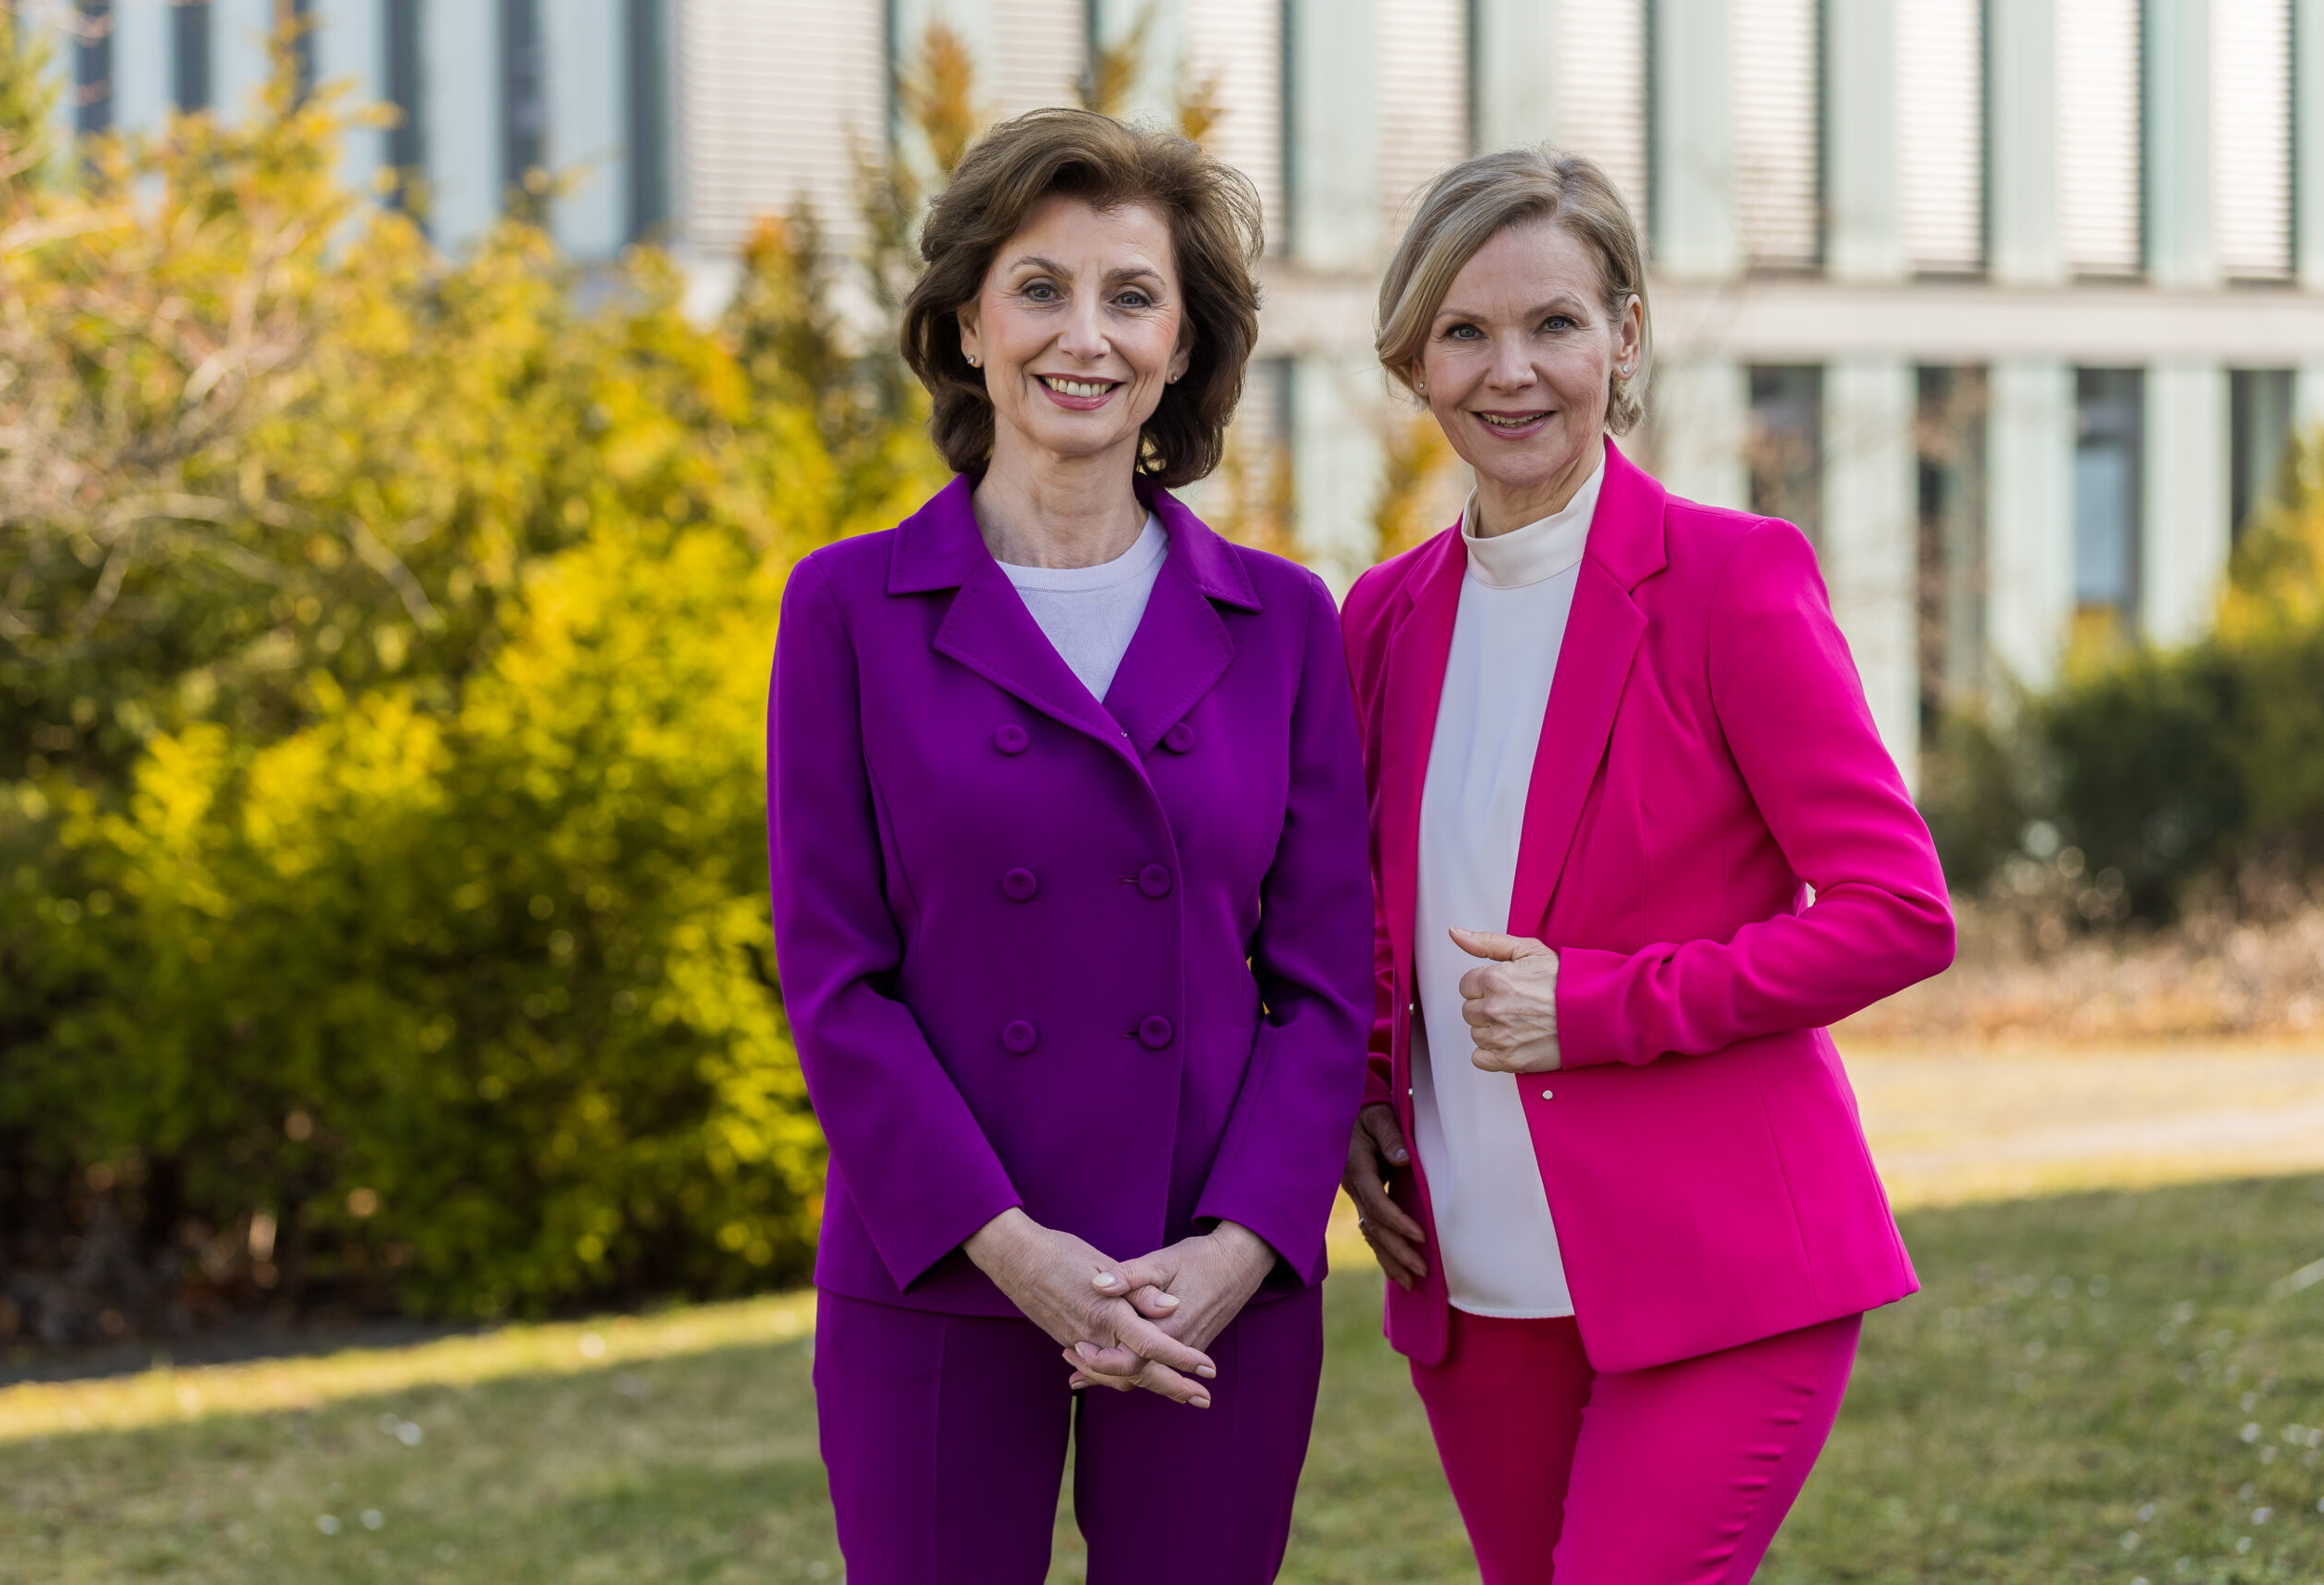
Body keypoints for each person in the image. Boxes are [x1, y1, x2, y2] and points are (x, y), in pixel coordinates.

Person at [766, 108, 1374, 1585]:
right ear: (968, 323)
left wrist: (1240, 1246)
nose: (1083, 336)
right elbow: (836, 979)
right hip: (940, 1257)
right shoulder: (846, 610)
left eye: (1131, 295)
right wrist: (1014, 1247)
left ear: (1181, 343)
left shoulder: (1283, 620)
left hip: (1207, 1279)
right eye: (1040, 287)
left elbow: (1325, 984)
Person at [1338, 148, 1956, 1585]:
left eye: (1553, 322)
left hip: (1726, 1270)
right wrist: (1359, 1095)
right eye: (1465, 330)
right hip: (1475, 1279)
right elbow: (1370, 905)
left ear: (1623, 337)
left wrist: (1599, 1005)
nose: (1511, 371)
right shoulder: (1380, 619)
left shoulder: (1734, 580)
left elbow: (1897, 911)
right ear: (1415, 360)